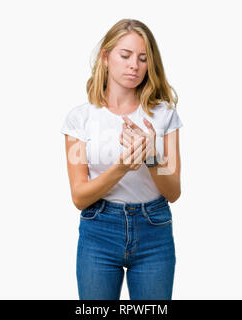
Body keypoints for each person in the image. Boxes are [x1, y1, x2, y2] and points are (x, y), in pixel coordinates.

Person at [61, 18, 184, 300]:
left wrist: (152, 156)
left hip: (154, 229)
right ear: (105, 57)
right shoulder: (79, 119)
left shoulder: (164, 115)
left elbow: (174, 192)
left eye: (143, 58)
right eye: (125, 55)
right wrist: (122, 167)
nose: (134, 65)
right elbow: (79, 197)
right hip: (98, 230)